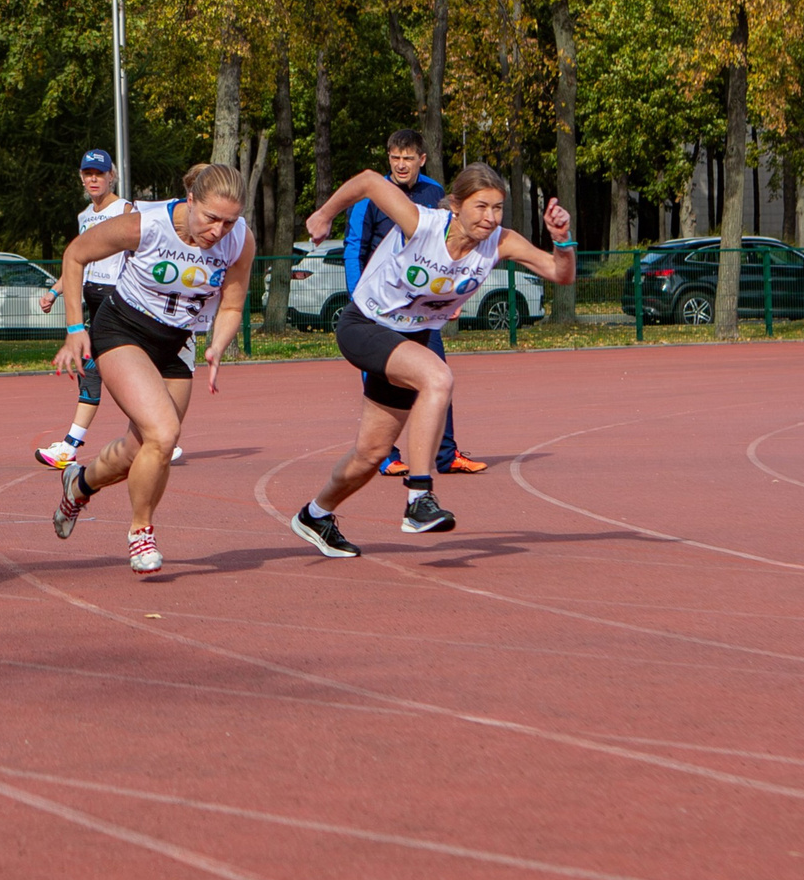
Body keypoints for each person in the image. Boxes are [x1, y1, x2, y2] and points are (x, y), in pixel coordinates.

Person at [288, 164, 575, 557]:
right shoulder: (422, 223)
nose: (490, 218)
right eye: (480, 207)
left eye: (497, 208)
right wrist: (324, 214)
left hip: (411, 338)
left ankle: (315, 515)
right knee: (438, 378)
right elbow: (371, 181)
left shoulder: (500, 242)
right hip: (365, 325)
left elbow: (560, 274)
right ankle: (418, 498)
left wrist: (563, 240)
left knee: (370, 454)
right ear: (455, 205)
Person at [48, 163, 254, 573]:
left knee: (138, 449)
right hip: (123, 329)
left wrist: (218, 345)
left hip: (177, 343)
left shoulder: (239, 241)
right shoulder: (146, 224)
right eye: (211, 218)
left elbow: (231, 303)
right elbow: (75, 255)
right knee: (164, 433)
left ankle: (79, 483)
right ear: (191, 200)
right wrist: (74, 328)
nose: (218, 231)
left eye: (229, 222)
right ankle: (140, 531)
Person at [345, 130, 482, 478]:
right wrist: (360, 299)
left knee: (439, 375)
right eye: (394, 157)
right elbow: (354, 248)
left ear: (421, 159)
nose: (400, 164)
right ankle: (386, 456)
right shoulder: (371, 199)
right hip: (380, 309)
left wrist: (452, 296)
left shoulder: (437, 193)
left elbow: (454, 246)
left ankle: (446, 455)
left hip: (422, 309)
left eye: (407, 158)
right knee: (381, 380)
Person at [34, 150, 133, 471]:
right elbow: (78, 259)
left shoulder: (126, 210)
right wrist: (54, 290)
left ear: (111, 177)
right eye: (87, 173)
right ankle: (157, 434)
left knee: (92, 368)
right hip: (92, 299)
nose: (93, 179)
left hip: (117, 300)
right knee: (110, 371)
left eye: (99, 174)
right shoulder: (84, 216)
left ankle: (70, 446)